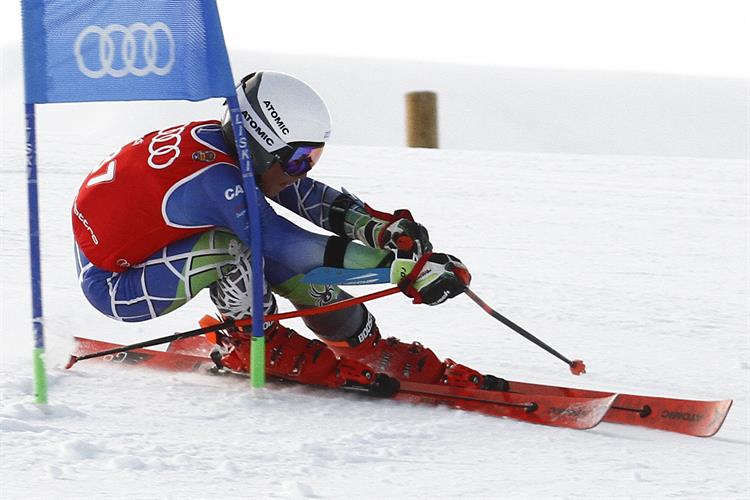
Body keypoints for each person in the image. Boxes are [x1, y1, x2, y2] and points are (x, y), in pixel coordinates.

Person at [72, 71, 504, 393]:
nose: (305, 169)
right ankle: (248, 341)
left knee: (275, 253)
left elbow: (298, 193)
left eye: (313, 157)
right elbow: (285, 243)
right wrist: (398, 268)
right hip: (116, 284)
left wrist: (377, 229)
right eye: (300, 158)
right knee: (246, 248)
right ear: (261, 142)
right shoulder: (213, 178)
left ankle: (361, 344)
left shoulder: (230, 145)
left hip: (140, 247)